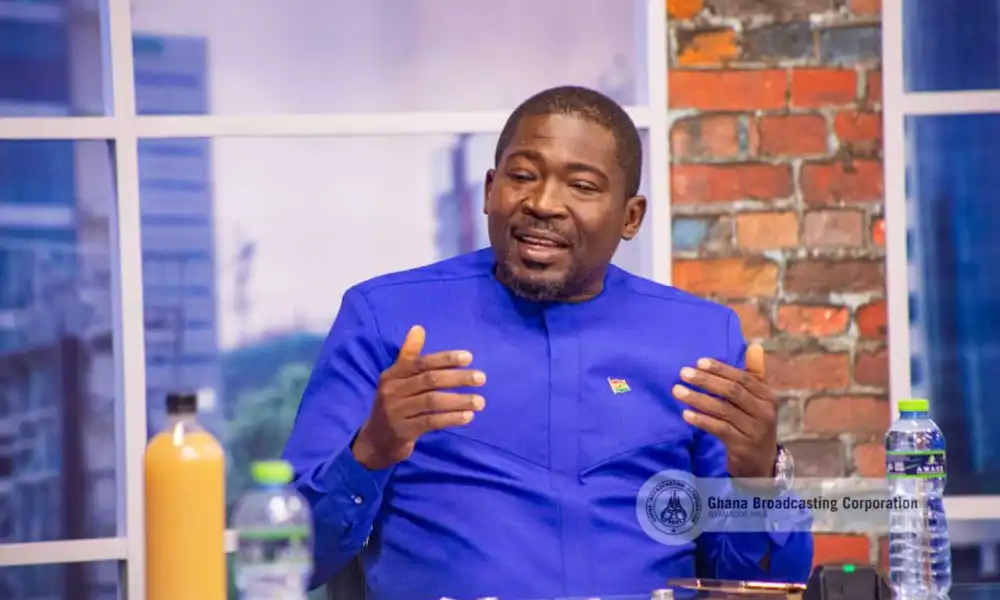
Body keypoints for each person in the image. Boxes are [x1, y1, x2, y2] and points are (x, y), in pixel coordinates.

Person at [283, 85, 814, 600]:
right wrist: (371, 450)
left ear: (630, 217)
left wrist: (755, 480)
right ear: (491, 189)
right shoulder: (387, 319)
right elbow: (292, 559)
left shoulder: (701, 341)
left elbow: (764, 586)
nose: (542, 203)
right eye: (522, 176)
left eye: (581, 186)